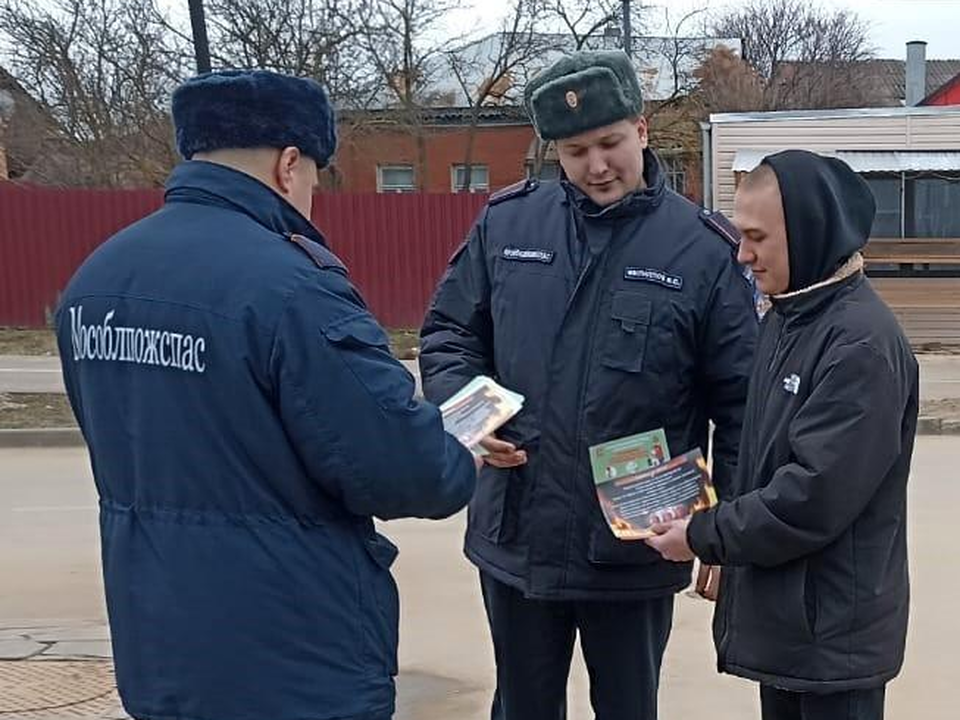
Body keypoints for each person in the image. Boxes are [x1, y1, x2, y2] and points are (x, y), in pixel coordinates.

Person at [55, 69, 478, 720]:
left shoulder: (95, 279)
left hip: (159, 647)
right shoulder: (290, 288)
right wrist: (462, 449)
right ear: (288, 164)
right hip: (292, 663)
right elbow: (407, 473)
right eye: (315, 175)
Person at [419, 50, 758, 720]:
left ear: (643, 128)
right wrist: (473, 420)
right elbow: (448, 337)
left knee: (629, 707)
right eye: (575, 151)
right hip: (517, 534)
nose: (597, 166)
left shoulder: (699, 249)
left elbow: (743, 404)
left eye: (609, 143)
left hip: (635, 541)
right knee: (521, 705)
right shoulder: (508, 225)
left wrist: (728, 531)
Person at [646, 150, 919, 720]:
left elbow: (809, 498)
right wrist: (712, 527)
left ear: (809, 232)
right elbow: (757, 453)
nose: (742, 255)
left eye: (756, 238)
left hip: (832, 637)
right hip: (792, 624)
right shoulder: (787, 316)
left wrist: (705, 534)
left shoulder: (859, 346)